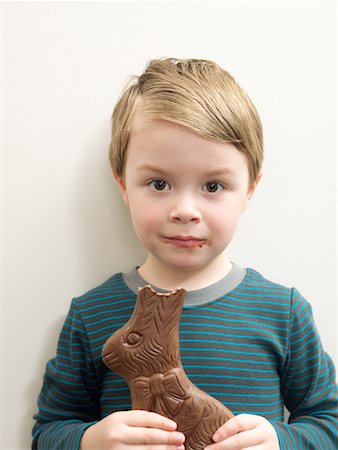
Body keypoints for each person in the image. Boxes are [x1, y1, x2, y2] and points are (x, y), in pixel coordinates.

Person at [32, 58, 337, 450]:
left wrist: (282, 442)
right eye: (159, 183)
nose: (185, 210)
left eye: (213, 186)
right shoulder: (92, 315)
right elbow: (48, 431)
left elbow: (328, 422)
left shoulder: (283, 312)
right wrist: (91, 440)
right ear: (123, 185)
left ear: (249, 189)